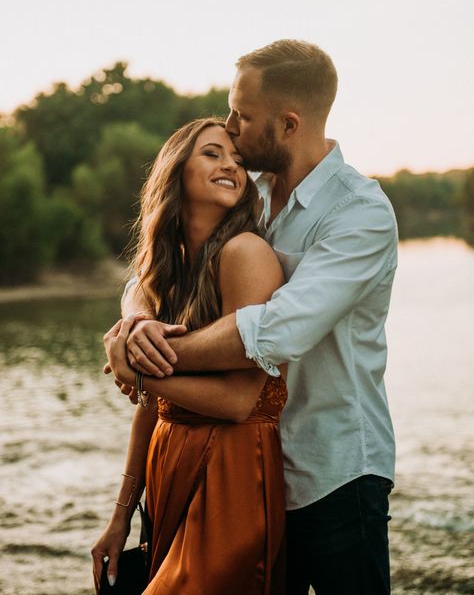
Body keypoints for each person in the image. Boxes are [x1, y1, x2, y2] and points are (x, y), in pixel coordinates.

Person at [119, 40, 398, 595]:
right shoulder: (250, 195)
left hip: (333, 470)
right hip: (249, 468)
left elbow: (272, 331)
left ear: (288, 124)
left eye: (242, 116)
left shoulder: (359, 213)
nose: (230, 125)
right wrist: (131, 323)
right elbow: (159, 272)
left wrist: (145, 361)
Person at [91, 117, 287, 595]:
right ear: (176, 169)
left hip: (232, 476)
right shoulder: (167, 270)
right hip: (167, 466)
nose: (232, 166)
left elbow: (241, 400)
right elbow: (150, 412)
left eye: (238, 160)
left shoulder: (246, 253)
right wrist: (121, 516)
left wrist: (137, 372)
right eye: (213, 153)